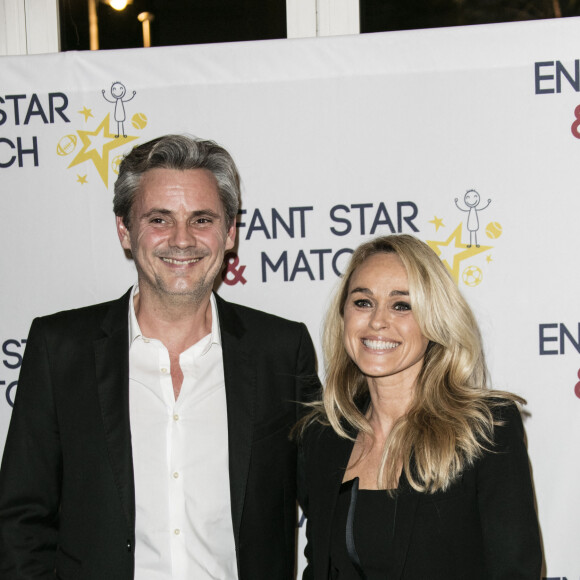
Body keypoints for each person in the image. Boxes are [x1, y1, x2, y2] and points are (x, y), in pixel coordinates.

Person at [0, 135, 319, 580]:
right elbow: (21, 522)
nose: (182, 240)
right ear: (125, 231)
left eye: (202, 219)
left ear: (230, 233)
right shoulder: (61, 349)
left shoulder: (281, 352)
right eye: (159, 219)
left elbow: (330, 508)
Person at [297, 234, 542, 579]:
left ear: (435, 320)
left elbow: (515, 572)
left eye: (402, 305)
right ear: (343, 316)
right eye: (363, 302)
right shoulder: (322, 437)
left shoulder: (485, 430)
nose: (378, 321)